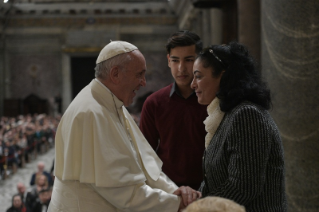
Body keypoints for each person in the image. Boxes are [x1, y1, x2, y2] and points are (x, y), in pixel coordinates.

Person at [48, 41, 200, 212]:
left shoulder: (112, 104)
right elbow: (123, 192)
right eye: (139, 74)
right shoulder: (91, 113)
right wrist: (176, 203)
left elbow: (143, 163)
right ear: (115, 74)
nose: (143, 82)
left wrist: (173, 191)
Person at [190, 41, 287, 211]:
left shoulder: (247, 115)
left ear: (222, 75)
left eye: (198, 76)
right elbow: (212, 183)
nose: (193, 84)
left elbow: (243, 188)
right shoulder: (226, 116)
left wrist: (198, 208)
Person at [139, 30, 207, 189]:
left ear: (200, 61)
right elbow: (145, 155)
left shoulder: (213, 101)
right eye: (175, 60)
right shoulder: (154, 103)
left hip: (209, 190)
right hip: (167, 191)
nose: (181, 68)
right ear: (168, 61)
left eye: (189, 60)